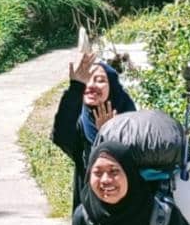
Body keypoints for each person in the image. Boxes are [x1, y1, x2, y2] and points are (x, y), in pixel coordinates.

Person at [53, 51, 137, 209]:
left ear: (112, 87)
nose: (91, 85)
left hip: (130, 211)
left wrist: (110, 134)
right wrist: (76, 86)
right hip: (91, 212)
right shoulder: (80, 123)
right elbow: (61, 136)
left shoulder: (131, 120)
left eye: (100, 80)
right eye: (88, 79)